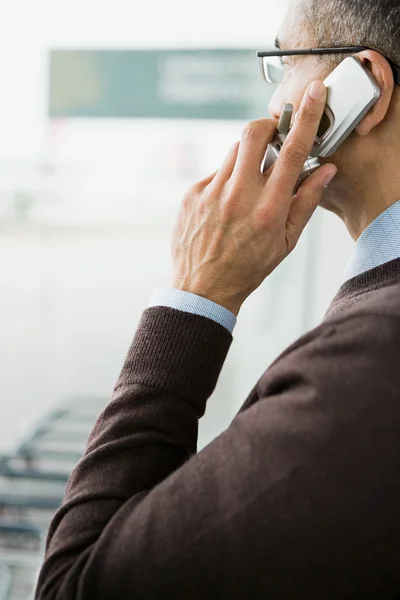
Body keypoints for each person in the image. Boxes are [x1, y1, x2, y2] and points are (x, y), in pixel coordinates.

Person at [35, 0, 400, 598]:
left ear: (366, 88)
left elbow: (74, 583)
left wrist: (196, 292)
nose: (272, 103)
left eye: (285, 63)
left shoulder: (365, 370)